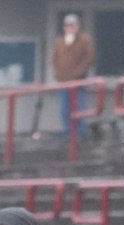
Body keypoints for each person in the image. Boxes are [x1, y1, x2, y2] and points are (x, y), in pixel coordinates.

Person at [47, 12, 97, 141]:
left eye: (73, 25)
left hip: (78, 82)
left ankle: (80, 134)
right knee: (65, 109)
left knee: (79, 108)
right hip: (63, 81)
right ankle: (68, 133)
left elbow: (89, 58)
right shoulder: (60, 41)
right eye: (67, 25)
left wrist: (79, 73)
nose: (70, 28)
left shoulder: (84, 40)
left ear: (78, 26)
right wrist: (57, 73)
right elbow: (54, 59)